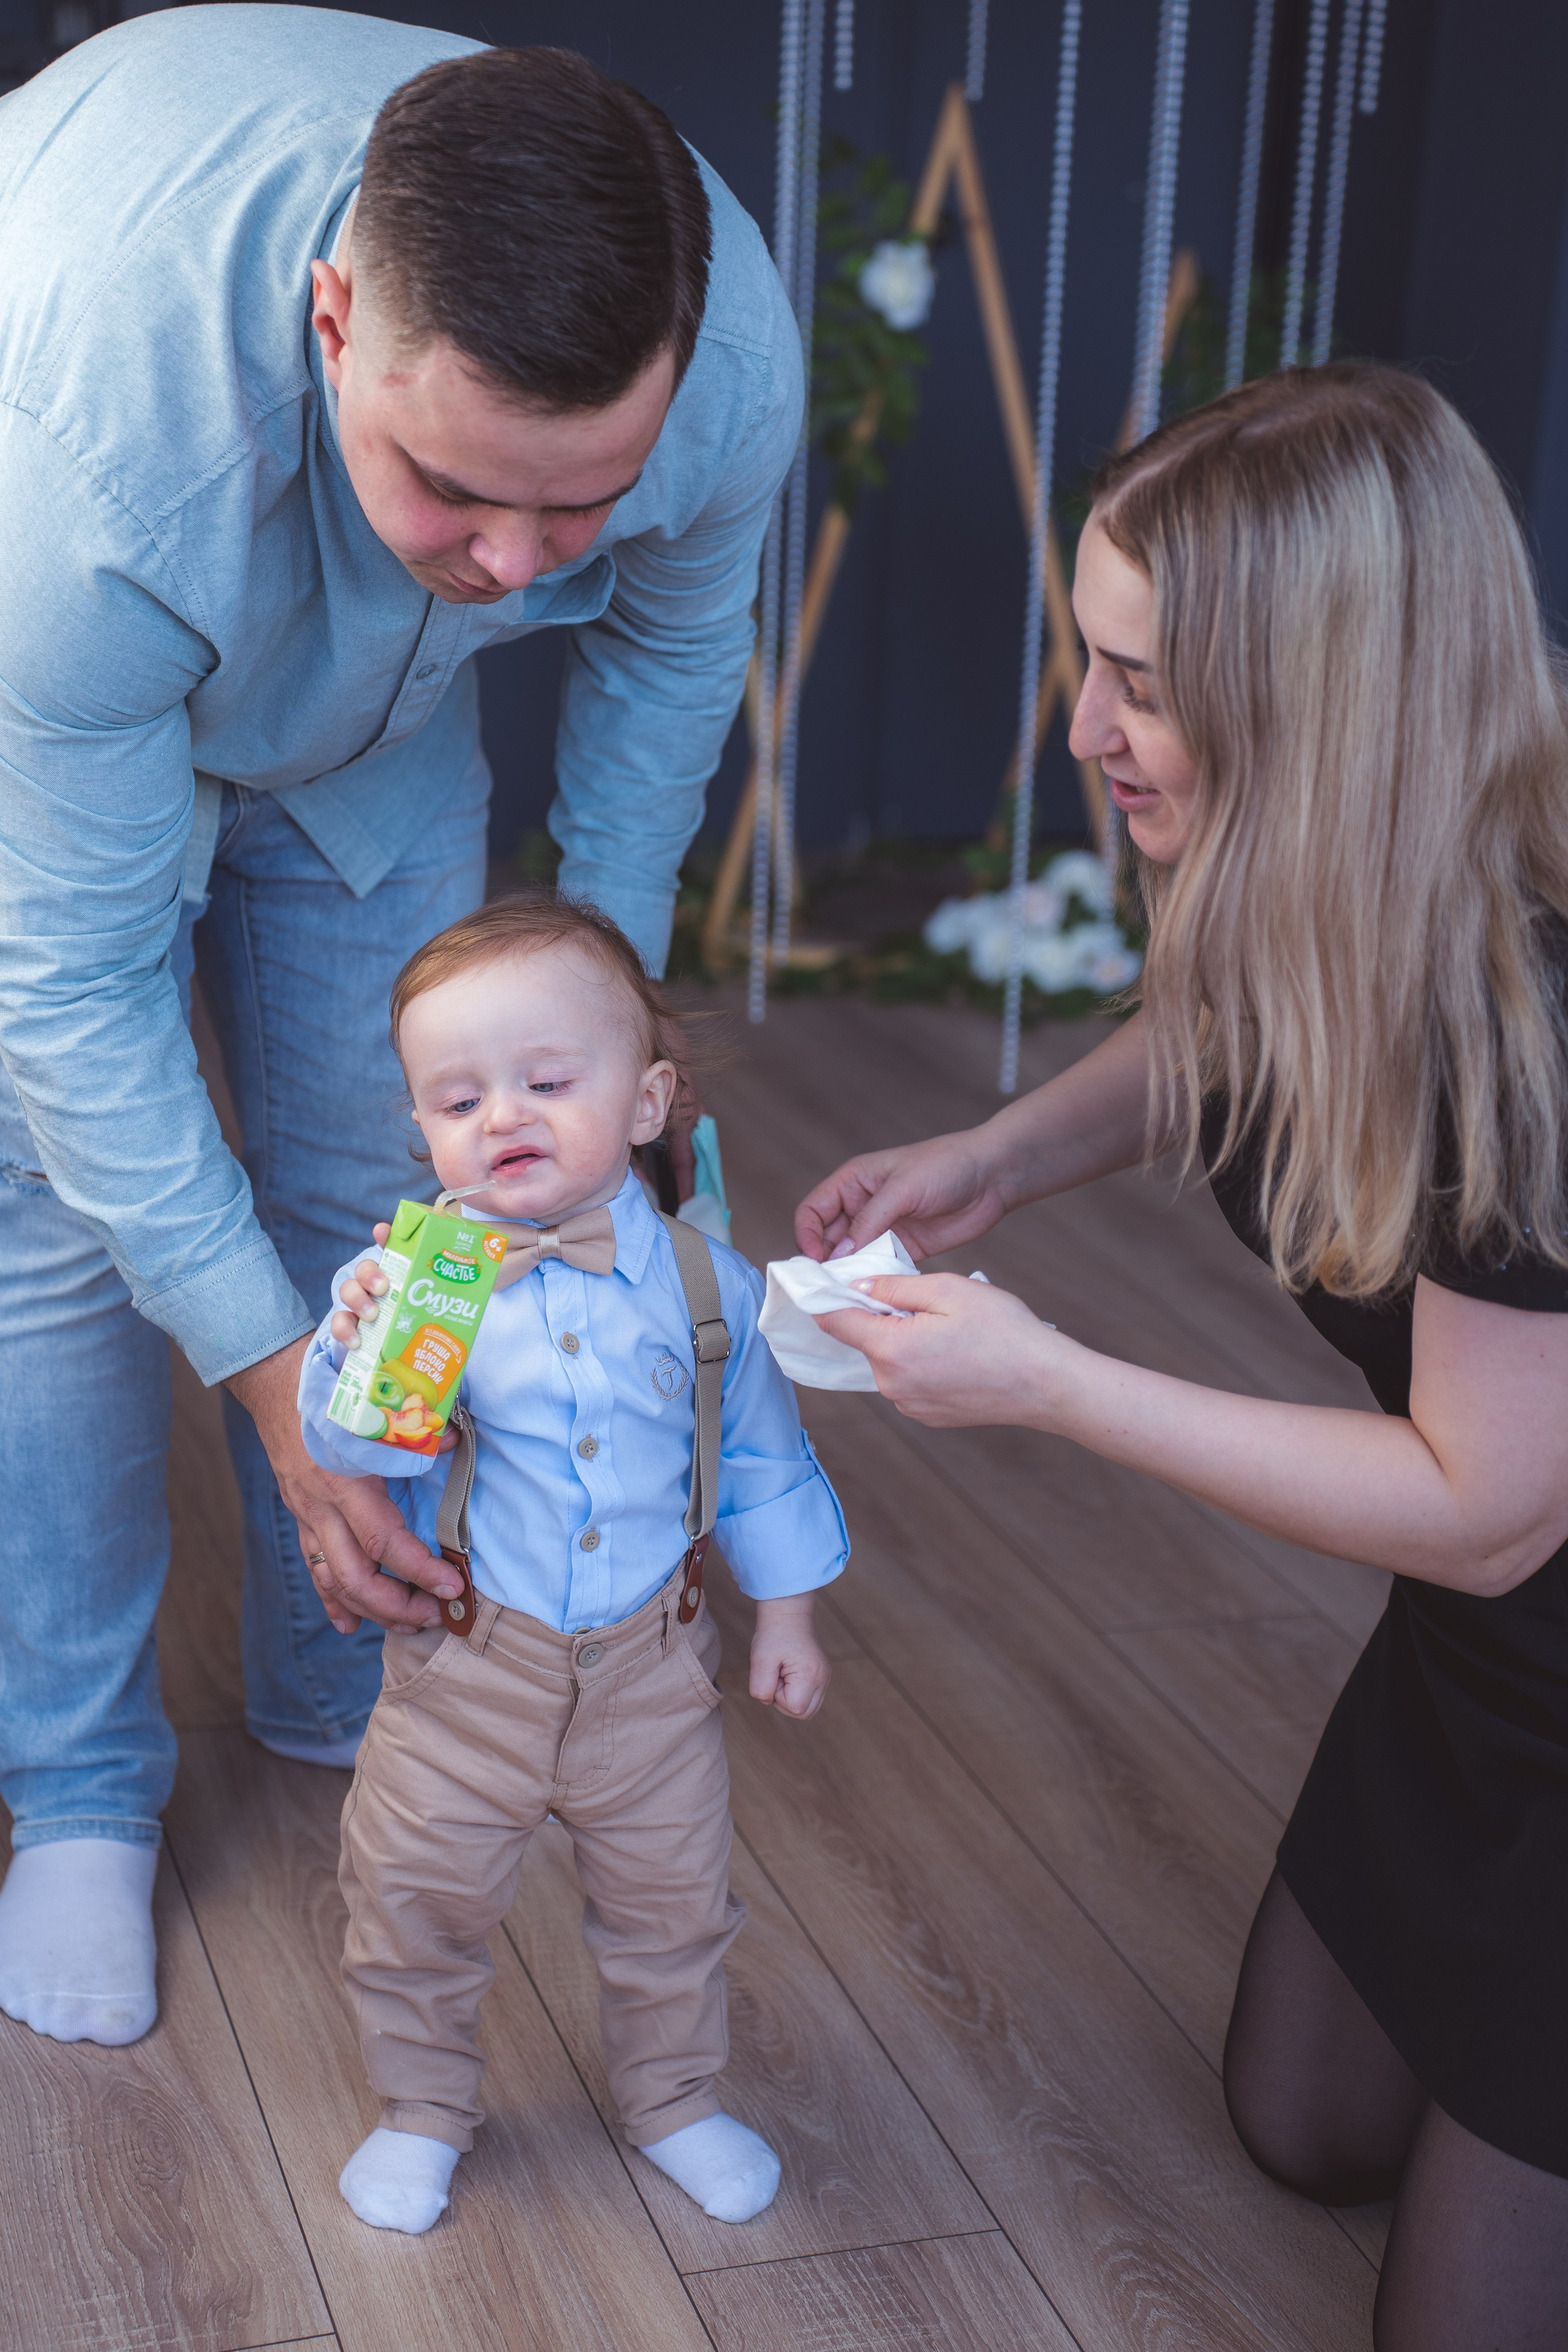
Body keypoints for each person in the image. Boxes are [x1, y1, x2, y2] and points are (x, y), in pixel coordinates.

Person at [0, 9, 801, 2051]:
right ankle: (79, 1792)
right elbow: (79, 1001)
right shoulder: (85, 438)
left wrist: (590, 1076)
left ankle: (352, 1691)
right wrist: (278, 1395)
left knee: (417, 1172)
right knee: (59, 1233)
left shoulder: (727, 383)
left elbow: (642, 730)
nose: (523, 570)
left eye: (576, 507)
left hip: (372, 726)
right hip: (70, 652)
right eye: (457, 490)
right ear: (338, 319)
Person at [794, 367, 1568, 2351]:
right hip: (1491, 1659)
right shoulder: (1317, 867)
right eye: (1088, 656)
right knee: (1298, 2125)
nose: (1080, 728)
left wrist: (1052, 1380)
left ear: (1324, 703)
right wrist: (998, 1156)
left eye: (1134, 679)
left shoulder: (1529, 1024)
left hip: (1515, 1592)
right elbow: (1220, 1028)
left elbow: (1484, 1513)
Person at [296, 892, 845, 2234]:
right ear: (421, 1129)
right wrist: (349, 1341)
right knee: (411, 1899)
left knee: (673, 1906)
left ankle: (673, 2100)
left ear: (648, 1102)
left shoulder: (708, 1286)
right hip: (469, 1668)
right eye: (456, 1099)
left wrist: (790, 1613)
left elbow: (764, 1457)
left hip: (653, 1671)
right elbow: (349, 1445)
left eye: (547, 1081)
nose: (503, 1118)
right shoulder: (428, 1285)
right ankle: (422, 2108)